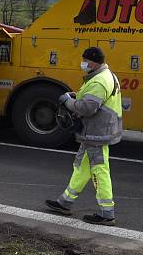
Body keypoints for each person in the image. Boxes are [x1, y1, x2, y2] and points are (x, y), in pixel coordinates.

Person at [45, 47, 123, 226]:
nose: (83, 64)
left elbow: (87, 108)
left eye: (85, 61)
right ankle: (64, 202)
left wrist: (67, 101)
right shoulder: (104, 75)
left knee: (99, 171)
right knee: (82, 167)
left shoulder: (99, 81)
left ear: (93, 62)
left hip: (97, 132)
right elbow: (91, 99)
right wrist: (76, 95)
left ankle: (106, 213)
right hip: (97, 131)